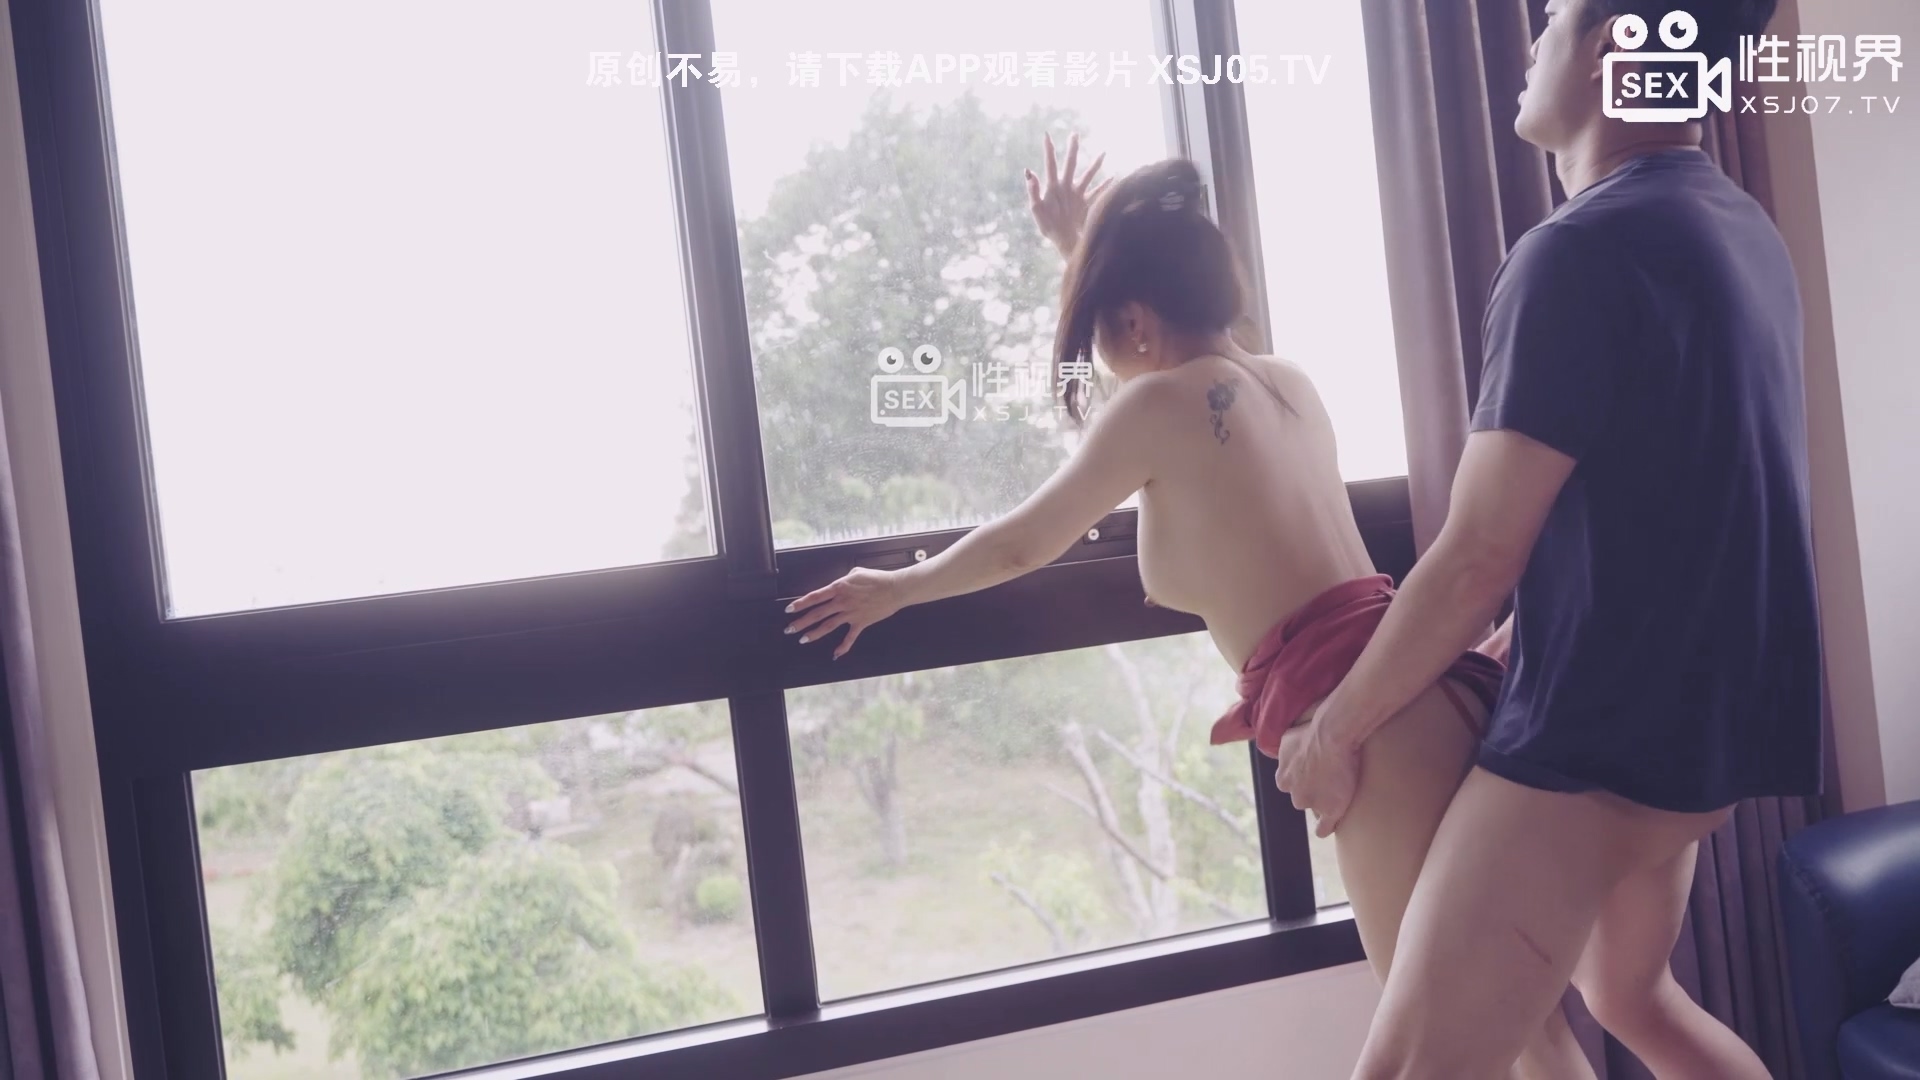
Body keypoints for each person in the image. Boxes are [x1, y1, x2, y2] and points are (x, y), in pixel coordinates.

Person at [785, 136, 1593, 1078]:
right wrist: (1082, 247)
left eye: (1103, 326)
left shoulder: (1155, 408)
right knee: (1527, 1036)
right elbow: (1168, 365)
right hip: (1432, 694)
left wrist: (897, 589)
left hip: (1373, 733)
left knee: (1435, 1055)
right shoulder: (1285, 383)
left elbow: (1024, 542)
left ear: (1132, 320)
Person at [1275, 0, 1817, 1076]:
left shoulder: (1575, 251)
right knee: (1632, 997)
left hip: (1597, 747)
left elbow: (1477, 554)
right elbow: (1681, 495)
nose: (1532, 45)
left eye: (1556, 15)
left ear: (1615, 46)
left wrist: (1333, 729)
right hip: (1704, 742)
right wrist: (1537, 626)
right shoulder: (1739, 226)